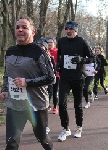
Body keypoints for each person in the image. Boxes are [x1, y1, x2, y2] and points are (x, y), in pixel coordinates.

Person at [0, 16, 55, 150]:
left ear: (33, 32)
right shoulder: (10, 51)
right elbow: (8, 73)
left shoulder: (39, 52)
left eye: (24, 27)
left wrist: (27, 82)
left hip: (36, 105)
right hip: (15, 104)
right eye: (17, 27)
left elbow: (50, 77)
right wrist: (4, 89)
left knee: (42, 139)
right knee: (11, 143)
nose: (20, 30)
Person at [57, 20, 95, 141]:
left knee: (77, 105)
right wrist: (58, 65)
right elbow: (59, 56)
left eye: (71, 29)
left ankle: (79, 127)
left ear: (76, 30)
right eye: (66, 29)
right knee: (61, 103)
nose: (68, 31)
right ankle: (65, 128)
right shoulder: (61, 41)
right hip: (64, 77)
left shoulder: (82, 42)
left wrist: (81, 59)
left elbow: (92, 58)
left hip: (78, 77)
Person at [47, 38, 59, 114]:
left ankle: (55, 106)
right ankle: (48, 105)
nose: (49, 44)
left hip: (56, 74)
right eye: (48, 42)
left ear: (54, 43)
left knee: (55, 91)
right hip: (47, 74)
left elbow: (60, 61)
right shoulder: (45, 51)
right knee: (48, 91)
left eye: (51, 42)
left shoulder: (57, 51)